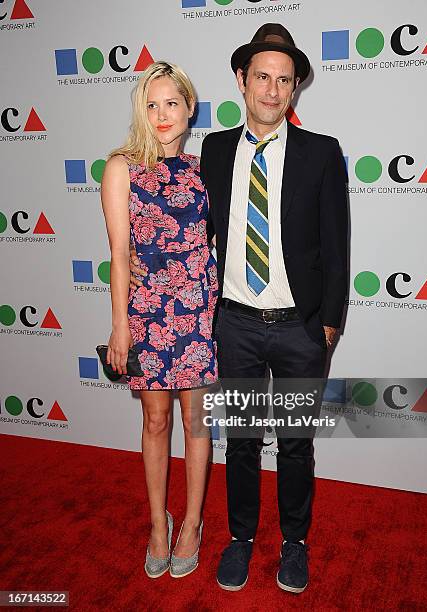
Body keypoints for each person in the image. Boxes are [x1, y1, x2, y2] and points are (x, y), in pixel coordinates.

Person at [130, 23, 348, 593]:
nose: (273, 91)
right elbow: (175, 216)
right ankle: (241, 538)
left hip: (300, 325)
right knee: (244, 441)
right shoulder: (217, 150)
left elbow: (337, 243)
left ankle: (295, 543)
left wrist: (327, 324)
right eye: (262, 78)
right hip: (236, 324)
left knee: (297, 443)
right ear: (241, 81)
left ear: (294, 88)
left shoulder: (322, 153)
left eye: (284, 80)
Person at [101, 61, 218, 580]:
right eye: (152, 104)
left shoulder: (206, 167)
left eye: (172, 102)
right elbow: (119, 254)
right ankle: (157, 523)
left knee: (195, 422)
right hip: (147, 314)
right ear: (141, 112)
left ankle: (191, 523)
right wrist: (121, 325)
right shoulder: (121, 167)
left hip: (198, 313)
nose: (162, 114)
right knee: (154, 421)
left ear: (190, 108)